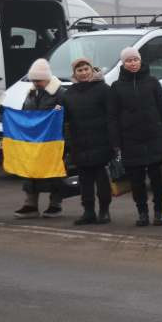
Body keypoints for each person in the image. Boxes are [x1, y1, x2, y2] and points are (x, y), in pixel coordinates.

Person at [108, 47, 162, 228]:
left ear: (140, 60)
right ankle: (142, 213)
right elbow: (113, 117)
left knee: (157, 179)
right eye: (129, 60)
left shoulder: (153, 82)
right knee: (136, 182)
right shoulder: (116, 87)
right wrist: (115, 142)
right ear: (123, 63)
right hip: (130, 140)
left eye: (135, 59)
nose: (133, 63)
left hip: (154, 137)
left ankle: (159, 212)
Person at [13, 58, 67, 219]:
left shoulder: (61, 93)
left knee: (54, 173)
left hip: (53, 141)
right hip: (34, 140)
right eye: (33, 80)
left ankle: (55, 204)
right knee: (31, 171)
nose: (36, 83)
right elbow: (25, 113)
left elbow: (68, 116)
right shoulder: (30, 93)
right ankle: (30, 204)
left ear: (47, 78)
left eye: (38, 80)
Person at [63, 57, 113, 225]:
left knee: (102, 180)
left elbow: (112, 116)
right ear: (75, 74)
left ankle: (104, 211)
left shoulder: (104, 89)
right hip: (80, 144)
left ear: (92, 70)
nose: (83, 73)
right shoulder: (69, 93)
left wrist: (113, 141)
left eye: (86, 69)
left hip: (101, 142)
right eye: (79, 70)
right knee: (85, 182)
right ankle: (88, 211)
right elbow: (66, 119)